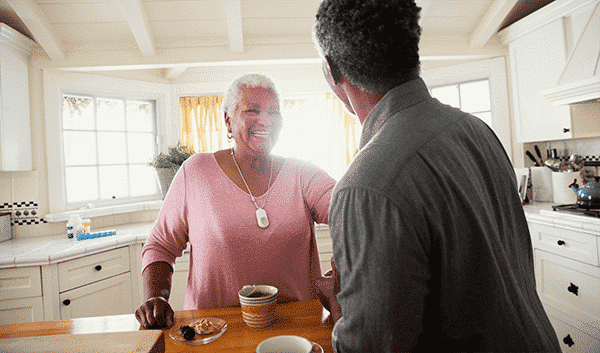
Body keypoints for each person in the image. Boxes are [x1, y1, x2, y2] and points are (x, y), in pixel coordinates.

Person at [312, 1, 561, 352]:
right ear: (410, 48)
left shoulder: (365, 187)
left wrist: (342, 308)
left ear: (332, 69)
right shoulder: (477, 130)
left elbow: (372, 346)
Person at [135, 73, 336, 328]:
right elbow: (160, 245)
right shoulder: (196, 171)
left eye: (274, 111)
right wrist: (156, 297)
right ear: (228, 122)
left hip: (294, 327)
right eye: (253, 110)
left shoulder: (302, 173)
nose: (265, 120)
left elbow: (352, 211)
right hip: (212, 330)